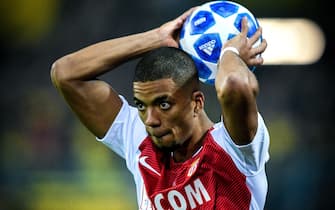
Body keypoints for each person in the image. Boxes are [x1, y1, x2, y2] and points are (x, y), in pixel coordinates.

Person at [51, 6, 269, 210]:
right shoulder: (140, 142)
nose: (150, 119)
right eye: (141, 106)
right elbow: (66, 73)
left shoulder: (236, 151)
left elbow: (235, 85)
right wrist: (157, 38)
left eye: (164, 104)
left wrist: (229, 52)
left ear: (197, 103)